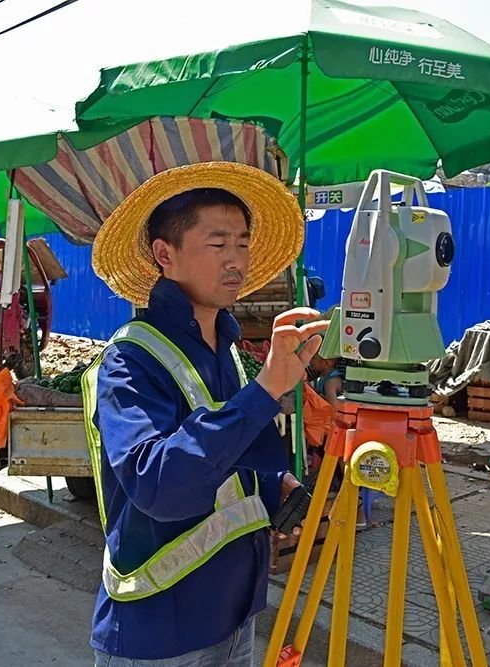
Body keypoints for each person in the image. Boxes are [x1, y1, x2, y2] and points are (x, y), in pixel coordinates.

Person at [84, 162, 328, 666]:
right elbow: (159, 485)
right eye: (218, 244)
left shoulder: (228, 349)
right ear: (164, 254)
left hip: (237, 614)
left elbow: (227, 459)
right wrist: (264, 392)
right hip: (161, 630)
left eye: (242, 243)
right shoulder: (129, 360)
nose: (236, 259)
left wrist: (272, 485)